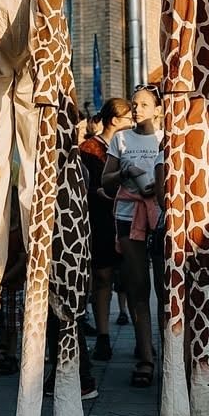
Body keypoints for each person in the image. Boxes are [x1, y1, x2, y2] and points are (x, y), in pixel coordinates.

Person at [101, 84, 163, 388]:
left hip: (161, 215)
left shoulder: (166, 138)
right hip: (128, 215)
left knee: (167, 289)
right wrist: (123, 174)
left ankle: (172, 354)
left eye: (143, 104)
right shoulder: (120, 139)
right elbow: (106, 181)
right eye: (134, 104)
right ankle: (145, 358)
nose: (136, 109)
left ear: (157, 109)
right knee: (138, 286)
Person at [79, 97, 132, 362]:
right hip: (101, 221)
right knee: (102, 277)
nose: (132, 123)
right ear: (114, 120)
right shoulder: (90, 148)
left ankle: (142, 341)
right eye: (128, 118)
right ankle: (103, 336)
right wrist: (99, 193)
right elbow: (82, 186)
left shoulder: (131, 146)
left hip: (130, 220)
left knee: (132, 280)